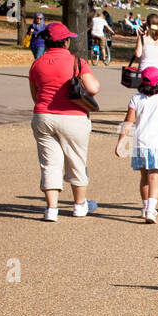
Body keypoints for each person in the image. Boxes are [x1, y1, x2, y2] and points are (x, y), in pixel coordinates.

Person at [28, 22, 101, 220]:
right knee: (76, 161)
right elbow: (93, 88)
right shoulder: (77, 62)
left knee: (49, 164)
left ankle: (51, 209)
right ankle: (79, 205)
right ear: (66, 42)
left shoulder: (37, 64)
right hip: (73, 117)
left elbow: (35, 95)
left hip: (43, 116)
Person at [116, 66, 158, 223]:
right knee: (155, 177)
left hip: (140, 144)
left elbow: (128, 122)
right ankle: (151, 210)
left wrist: (121, 141)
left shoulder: (136, 99)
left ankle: (145, 207)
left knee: (144, 176)